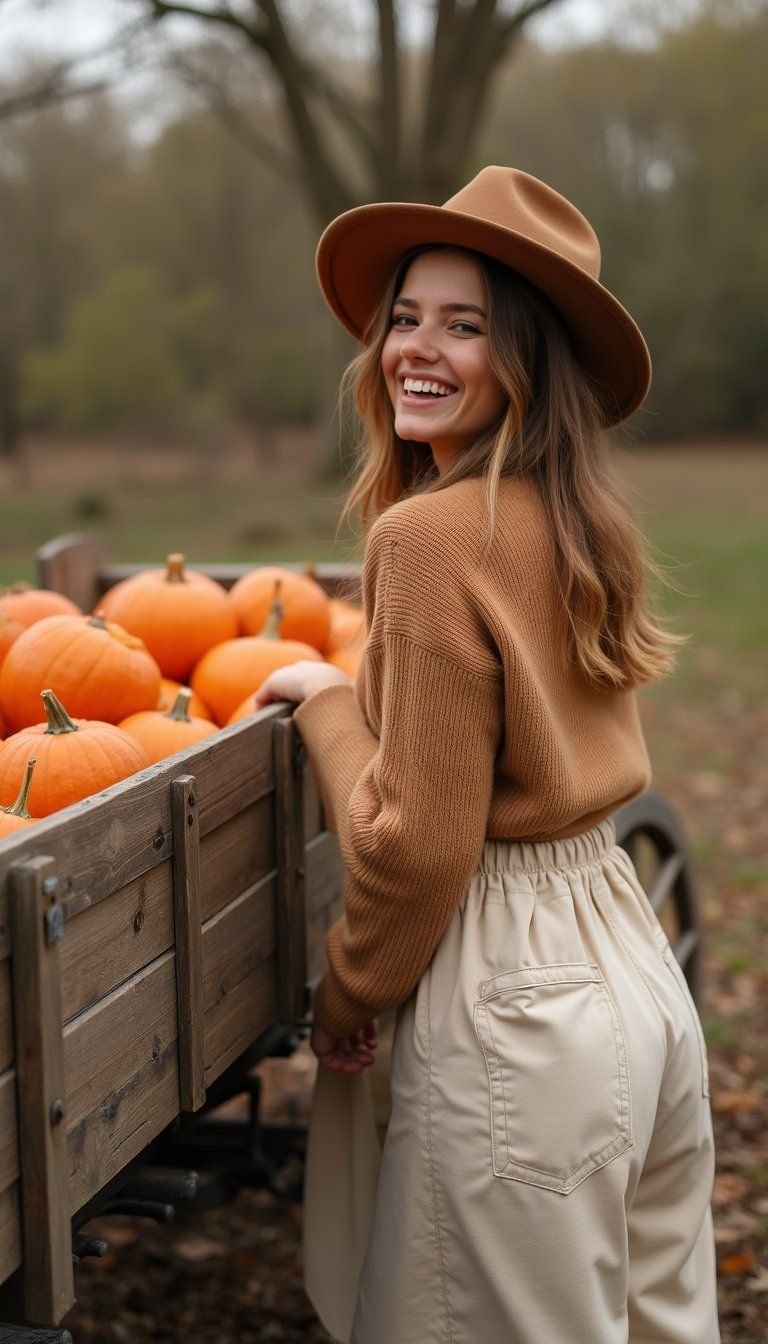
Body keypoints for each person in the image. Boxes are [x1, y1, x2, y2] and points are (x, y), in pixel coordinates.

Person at [253, 167, 720, 1344]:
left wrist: (345, 995)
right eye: (405, 317)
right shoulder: (573, 518)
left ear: (526, 362)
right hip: (629, 960)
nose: (418, 347)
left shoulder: (424, 539)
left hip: (512, 995)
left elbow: (416, 846)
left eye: (465, 326)